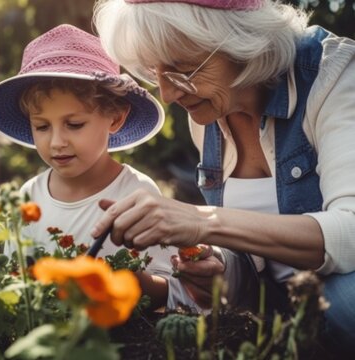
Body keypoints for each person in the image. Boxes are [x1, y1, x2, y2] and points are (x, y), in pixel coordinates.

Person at [91, 0, 355, 351]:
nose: (168, 95)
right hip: (279, 308)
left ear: (241, 41)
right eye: (155, 73)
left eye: (182, 69)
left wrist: (203, 219)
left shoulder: (332, 75)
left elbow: (350, 232)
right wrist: (220, 268)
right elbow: (258, 264)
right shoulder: (208, 110)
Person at [0, 24, 196, 309]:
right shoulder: (28, 197)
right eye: (42, 126)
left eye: (74, 124)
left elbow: (174, 291)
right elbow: (12, 281)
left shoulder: (137, 194)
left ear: (115, 118)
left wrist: (127, 283)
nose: (56, 141)